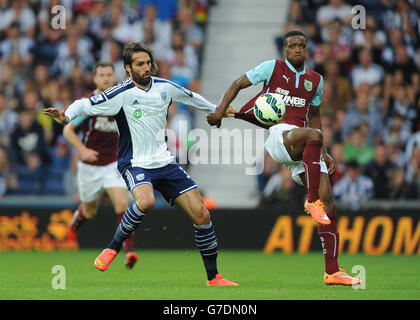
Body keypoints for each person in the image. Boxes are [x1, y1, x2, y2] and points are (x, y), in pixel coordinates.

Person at [44, 42, 237, 286]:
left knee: (202, 214)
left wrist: (219, 110)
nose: (147, 67)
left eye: (148, 63)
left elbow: (191, 98)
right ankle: (112, 248)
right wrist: (67, 115)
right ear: (128, 68)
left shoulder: (164, 87)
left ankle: (214, 277)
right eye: (140, 64)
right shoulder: (120, 93)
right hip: (135, 163)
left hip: (165, 162)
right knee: (145, 201)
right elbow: (85, 104)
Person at [207, 30, 361, 286]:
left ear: (307, 50)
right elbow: (237, 83)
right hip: (280, 137)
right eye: (293, 46)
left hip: (306, 146)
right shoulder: (272, 68)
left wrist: (323, 151)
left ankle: (332, 271)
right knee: (314, 140)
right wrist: (220, 112)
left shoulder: (315, 80)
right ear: (285, 51)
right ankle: (310, 200)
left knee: (330, 202)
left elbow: (314, 116)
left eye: (302, 45)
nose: (297, 49)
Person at [63, 62, 138, 269]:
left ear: (113, 78)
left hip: (114, 163)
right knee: (90, 211)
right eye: (101, 75)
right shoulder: (89, 103)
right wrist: (83, 151)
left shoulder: (121, 101)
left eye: (108, 74)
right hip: (90, 165)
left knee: (122, 205)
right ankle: (78, 220)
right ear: (95, 79)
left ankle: (129, 251)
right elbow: (68, 131)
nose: (105, 78)